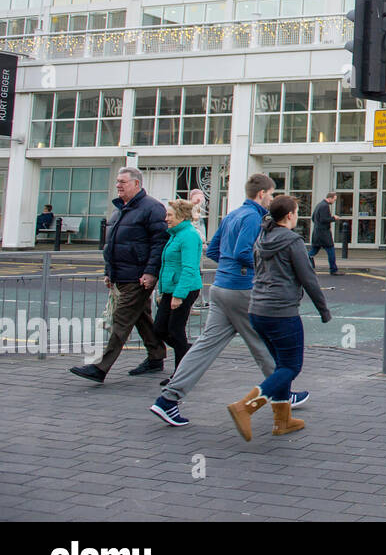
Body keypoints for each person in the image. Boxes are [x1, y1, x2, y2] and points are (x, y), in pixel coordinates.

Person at [151, 173, 305, 427]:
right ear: (261, 194)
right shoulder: (254, 217)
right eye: (271, 194)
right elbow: (244, 252)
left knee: (205, 346)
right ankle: (283, 393)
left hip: (221, 287)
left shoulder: (233, 214)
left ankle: (168, 399)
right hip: (241, 290)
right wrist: (263, 268)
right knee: (262, 344)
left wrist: (228, 267)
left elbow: (214, 250)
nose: (272, 198)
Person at [228, 195, 332, 441]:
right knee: (291, 366)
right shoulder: (292, 241)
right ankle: (245, 407)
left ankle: (282, 420)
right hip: (281, 311)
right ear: (289, 215)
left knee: (280, 366)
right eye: (296, 212)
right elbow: (308, 278)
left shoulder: (262, 237)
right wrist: (323, 310)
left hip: (257, 310)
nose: (297, 216)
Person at [70, 167, 169, 384]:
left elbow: (159, 243)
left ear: (136, 184)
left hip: (138, 277)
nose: (118, 185)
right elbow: (112, 244)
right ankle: (156, 356)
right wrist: (109, 272)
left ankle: (100, 367)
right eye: (117, 181)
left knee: (121, 320)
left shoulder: (152, 208)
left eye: (123, 182)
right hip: (121, 275)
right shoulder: (120, 209)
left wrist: (151, 272)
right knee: (141, 317)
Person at [154, 199, 203, 380]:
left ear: (182, 217)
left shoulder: (189, 236)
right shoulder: (176, 234)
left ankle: (180, 374)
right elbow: (168, 265)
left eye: (169, 215)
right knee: (159, 329)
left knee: (175, 330)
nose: (166, 219)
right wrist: (164, 292)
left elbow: (189, 268)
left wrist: (179, 295)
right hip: (171, 289)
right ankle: (189, 354)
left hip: (184, 289)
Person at [308, 192, 340, 274]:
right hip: (324, 234)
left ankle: (306, 261)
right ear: (330, 198)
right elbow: (324, 219)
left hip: (317, 233)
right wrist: (334, 218)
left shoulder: (319, 205)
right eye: (334, 200)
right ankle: (333, 270)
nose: (334, 201)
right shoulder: (325, 206)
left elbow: (313, 218)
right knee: (331, 250)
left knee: (313, 251)